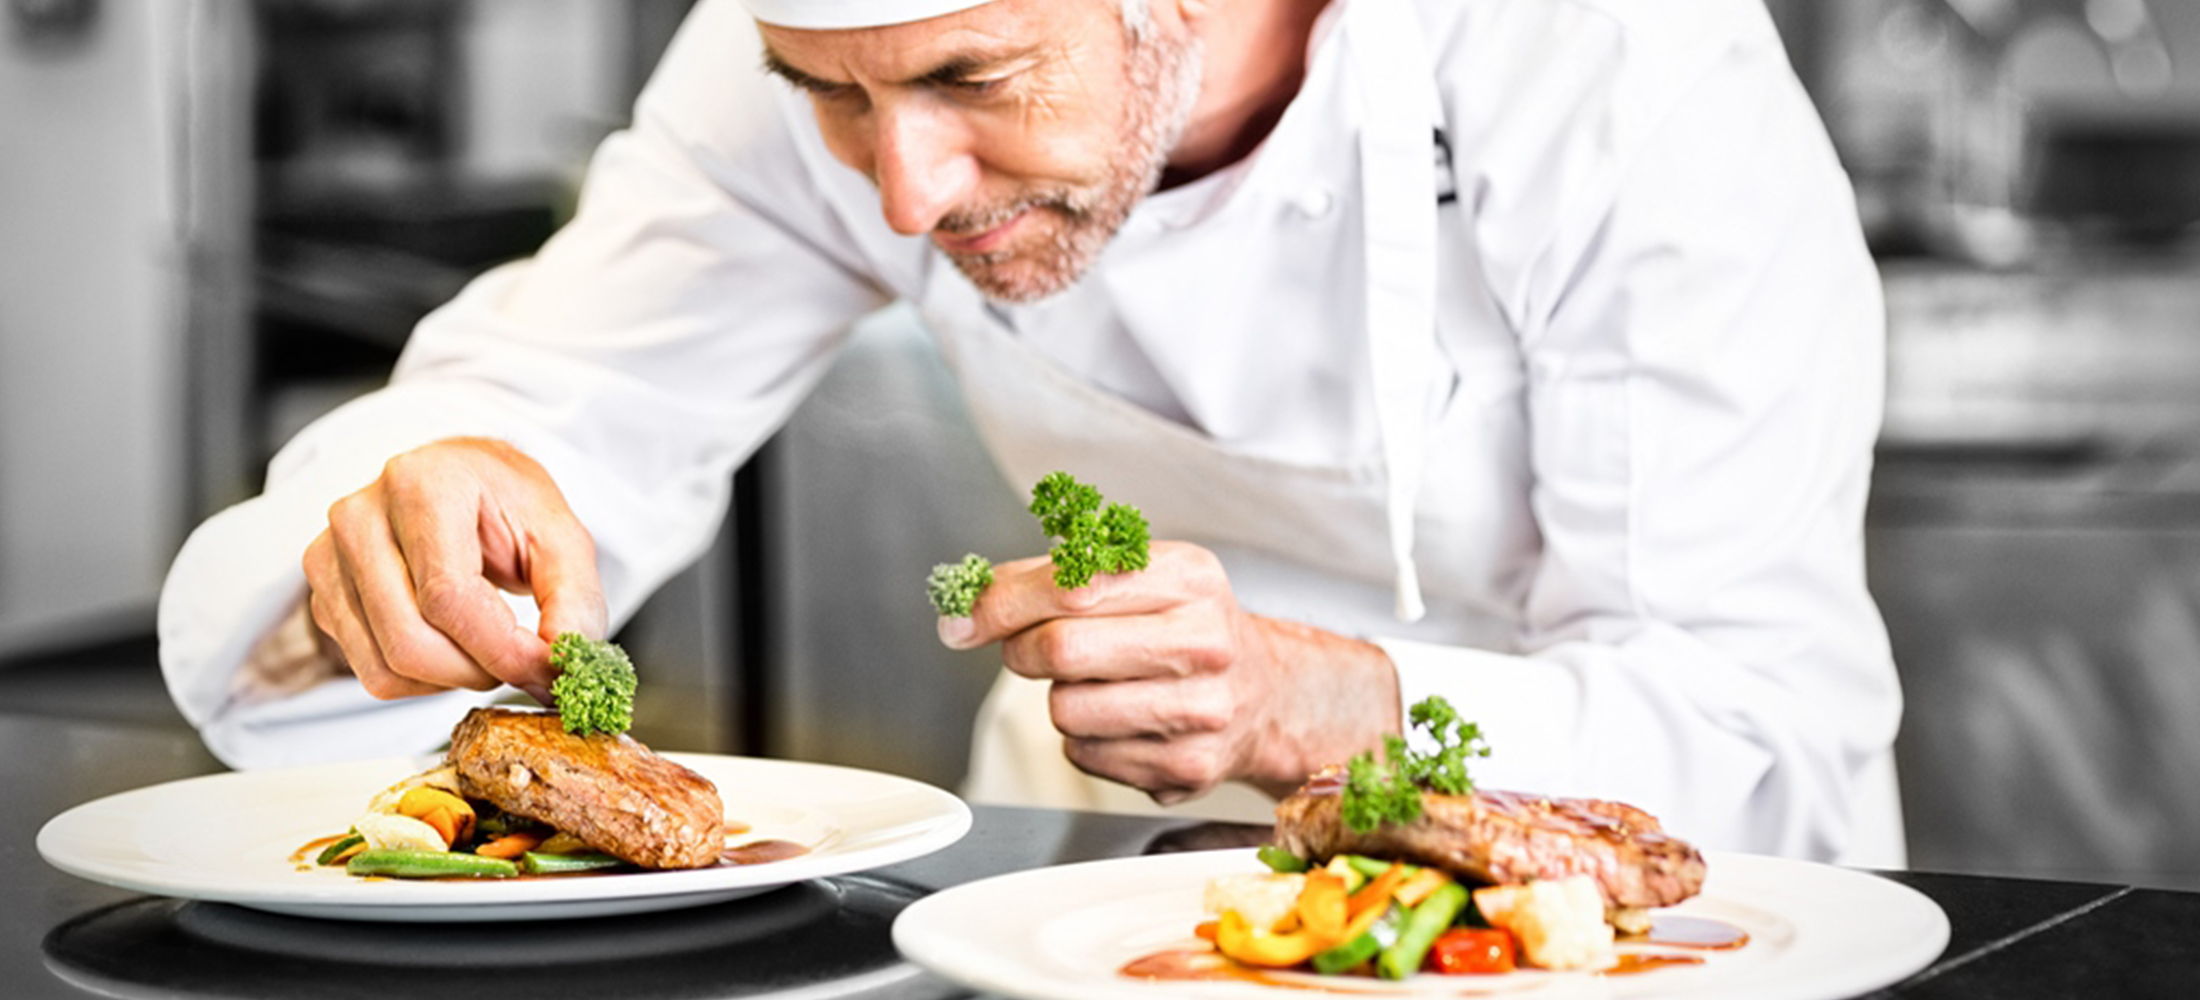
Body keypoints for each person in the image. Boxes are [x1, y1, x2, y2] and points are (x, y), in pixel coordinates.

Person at [159, 0, 1906, 865]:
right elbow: (550, 398)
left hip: (1618, 925)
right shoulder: (833, 46)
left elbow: (1762, 718)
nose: (904, 187)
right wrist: (428, 510)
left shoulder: (1606, 60)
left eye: (975, 85)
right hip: (1096, 895)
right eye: (830, 98)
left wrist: (1322, 703)